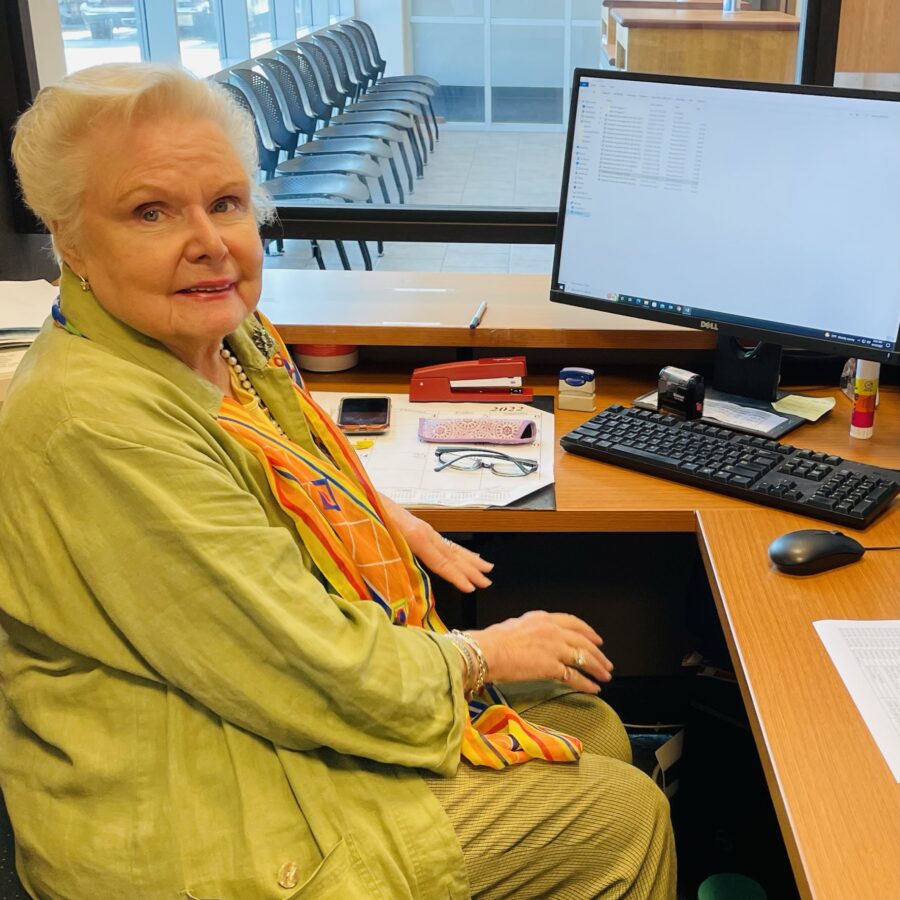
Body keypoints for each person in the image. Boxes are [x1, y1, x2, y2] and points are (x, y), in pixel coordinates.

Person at [0, 63, 675, 899]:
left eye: (226, 202)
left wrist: (395, 518)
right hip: (198, 785)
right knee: (620, 814)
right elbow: (306, 666)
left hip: (251, 686)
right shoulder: (94, 424)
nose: (209, 241)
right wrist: (482, 649)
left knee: (593, 727)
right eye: (151, 211)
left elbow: (279, 481)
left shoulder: (224, 336)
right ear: (68, 237)